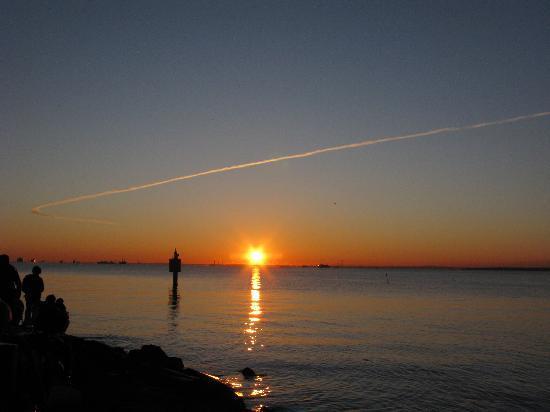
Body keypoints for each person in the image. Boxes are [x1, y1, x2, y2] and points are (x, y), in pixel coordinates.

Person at [0, 254, 23, 325]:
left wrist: (18, 292)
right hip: (8, 292)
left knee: (11, 308)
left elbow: (18, 282)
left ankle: (11, 322)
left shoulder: (12, 269)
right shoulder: (12, 269)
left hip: (9, 292)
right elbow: (18, 282)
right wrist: (18, 292)